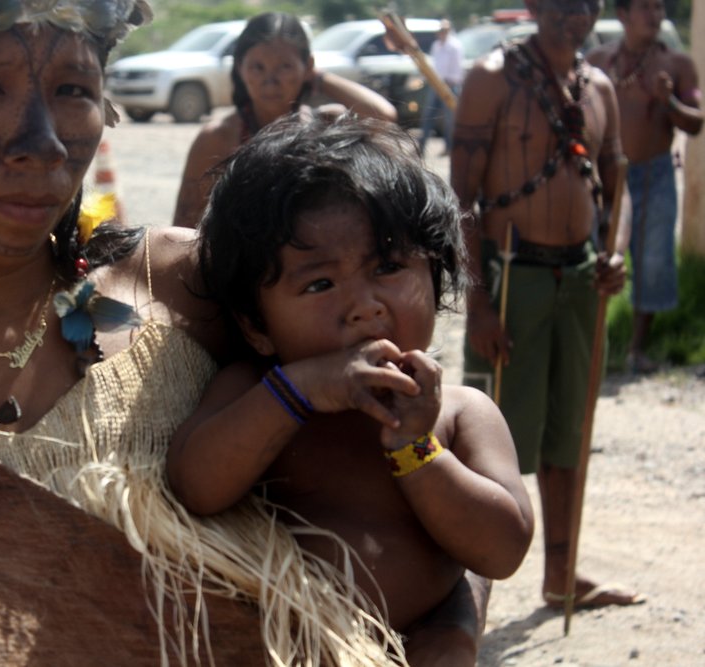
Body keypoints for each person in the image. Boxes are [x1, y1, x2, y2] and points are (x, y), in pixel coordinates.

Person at [0, 0, 485, 664]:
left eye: (73, 88)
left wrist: (447, 637)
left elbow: (413, 517)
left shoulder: (191, 291)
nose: (41, 142)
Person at [168, 113, 534, 666]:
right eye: (320, 283)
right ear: (256, 327)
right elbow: (194, 486)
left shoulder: (460, 414)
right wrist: (299, 390)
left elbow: (502, 551)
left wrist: (415, 449)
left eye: (388, 266)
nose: (365, 305)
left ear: (434, 277)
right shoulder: (257, 392)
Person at [452, 0, 642, 611]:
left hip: (582, 279)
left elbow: (618, 187)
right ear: (534, 6)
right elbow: (460, 197)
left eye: (586, 3)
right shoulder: (491, 78)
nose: (574, 14)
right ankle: (462, 592)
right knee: (492, 440)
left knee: (571, 434)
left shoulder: (600, 87)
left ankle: (562, 579)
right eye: (560, 2)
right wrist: (478, 303)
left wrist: (614, 253)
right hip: (512, 278)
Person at [172, 11, 397, 229]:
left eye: (285, 67)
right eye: (257, 68)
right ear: (240, 68)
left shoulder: (325, 125)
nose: (270, 81)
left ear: (308, 66)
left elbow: (383, 116)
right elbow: (185, 221)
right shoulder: (218, 138)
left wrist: (320, 78)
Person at [587, 0, 703, 374]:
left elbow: (696, 122)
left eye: (659, 8)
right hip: (603, 177)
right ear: (622, 15)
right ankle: (590, 344)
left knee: (653, 260)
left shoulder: (677, 65)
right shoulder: (598, 61)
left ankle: (636, 348)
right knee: (593, 256)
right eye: (646, 7)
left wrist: (667, 101)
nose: (656, 15)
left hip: (655, 175)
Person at [417, 18, 463, 156]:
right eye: (440, 30)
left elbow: (457, 68)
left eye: (444, 30)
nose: (441, 33)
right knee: (428, 116)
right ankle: (421, 146)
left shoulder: (455, 46)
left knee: (449, 120)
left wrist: (451, 81)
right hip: (436, 85)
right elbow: (434, 65)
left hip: (449, 86)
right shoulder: (436, 45)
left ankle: (449, 147)